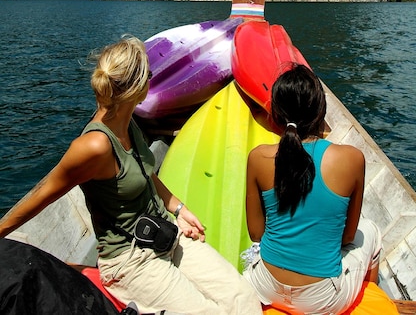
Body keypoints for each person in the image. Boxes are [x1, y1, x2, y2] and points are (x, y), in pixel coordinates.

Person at [0, 35, 262, 315]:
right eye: (149, 74)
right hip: (131, 260)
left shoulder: (129, 122)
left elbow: (145, 173)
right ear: (139, 86)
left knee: (244, 300)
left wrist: (178, 207)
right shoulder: (94, 146)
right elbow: (43, 193)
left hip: (166, 234)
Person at [243, 63, 381, 315]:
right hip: (321, 300)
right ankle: (372, 302)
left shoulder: (257, 157)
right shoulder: (351, 159)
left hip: (264, 286)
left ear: (275, 115)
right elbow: (348, 238)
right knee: (371, 230)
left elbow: (256, 234)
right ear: (321, 112)